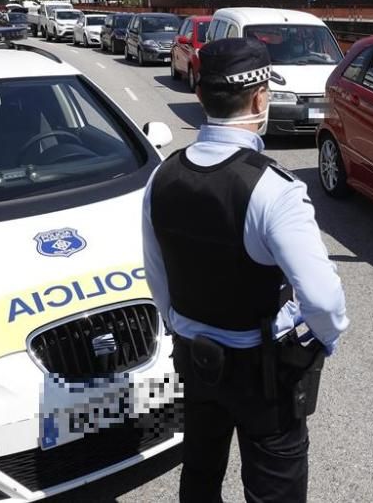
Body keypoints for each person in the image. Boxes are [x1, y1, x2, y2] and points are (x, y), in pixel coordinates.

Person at [142, 37, 349, 503]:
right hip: (263, 373)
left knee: (199, 473)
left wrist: (185, 326)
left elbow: (158, 279)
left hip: (196, 361)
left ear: (200, 95)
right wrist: (324, 339)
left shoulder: (163, 176)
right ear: (260, 99)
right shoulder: (274, 189)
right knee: (273, 490)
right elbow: (322, 300)